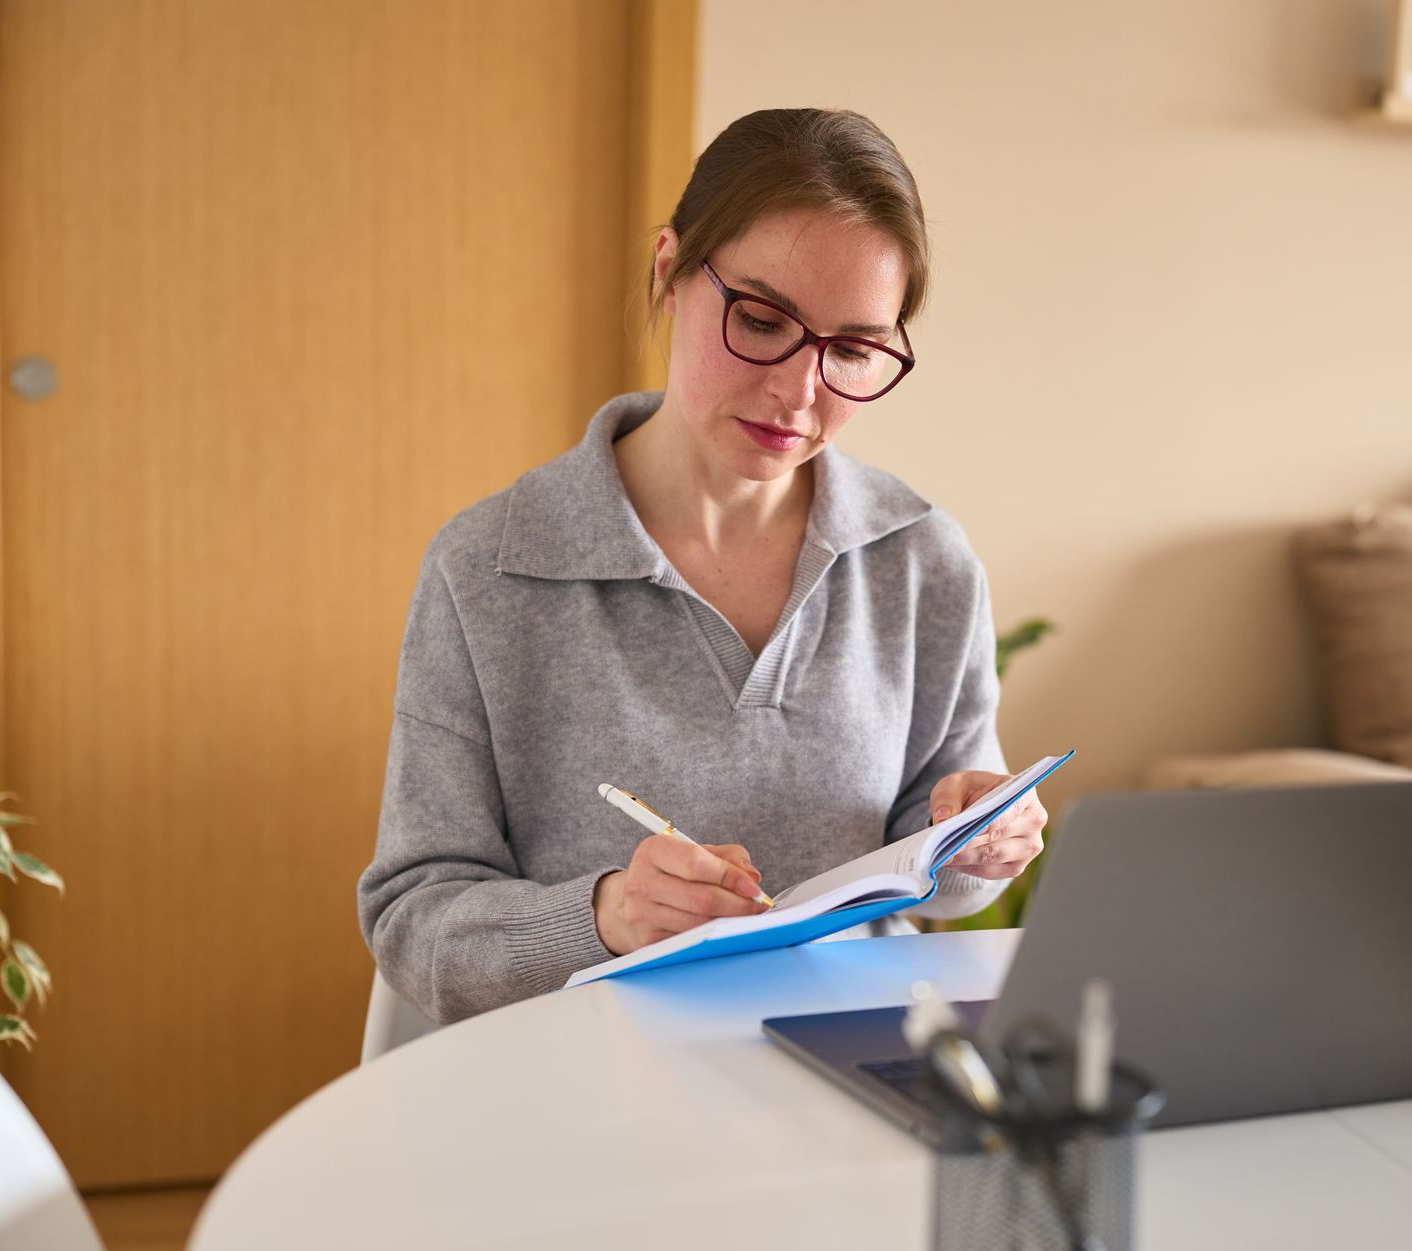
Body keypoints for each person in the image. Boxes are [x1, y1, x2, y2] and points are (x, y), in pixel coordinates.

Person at [358, 108, 1046, 1022]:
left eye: (851, 350)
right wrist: (606, 916)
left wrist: (976, 841)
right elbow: (413, 922)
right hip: (584, 1091)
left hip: (852, 1069)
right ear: (669, 271)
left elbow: (946, 874)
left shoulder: (921, 561)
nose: (798, 392)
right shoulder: (489, 568)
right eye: (762, 321)